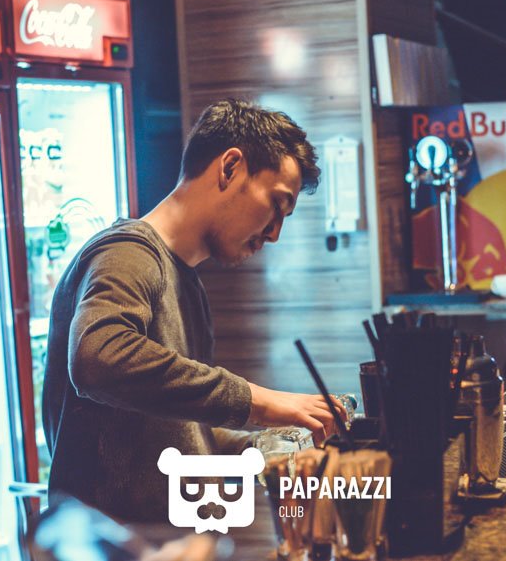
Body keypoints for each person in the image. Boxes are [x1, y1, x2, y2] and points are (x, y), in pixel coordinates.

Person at [42, 99, 345, 521]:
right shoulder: (128, 255)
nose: (275, 233)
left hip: (177, 542)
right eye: (276, 206)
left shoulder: (187, 284)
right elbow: (98, 359)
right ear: (230, 167)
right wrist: (258, 400)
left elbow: (177, 435)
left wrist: (268, 449)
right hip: (116, 545)